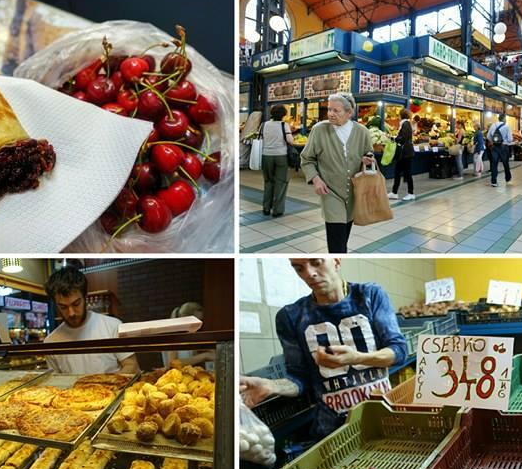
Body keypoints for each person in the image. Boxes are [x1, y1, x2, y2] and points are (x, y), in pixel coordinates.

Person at [239, 258, 407, 439]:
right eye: (299, 268)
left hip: (382, 416)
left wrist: (357, 358)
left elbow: (398, 350)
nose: (309, 273)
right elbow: (299, 378)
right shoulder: (291, 316)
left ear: (336, 260)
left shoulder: (369, 295)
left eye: (316, 262)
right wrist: (272, 385)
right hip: (333, 429)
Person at [300, 92, 376, 254]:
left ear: (349, 113)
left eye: (336, 111)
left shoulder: (361, 131)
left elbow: (368, 153)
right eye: (329, 110)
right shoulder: (319, 130)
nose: (331, 114)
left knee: (343, 238)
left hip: (354, 192)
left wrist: (367, 160)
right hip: (330, 191)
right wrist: (316, 179)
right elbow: (307, 159)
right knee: (336, 241)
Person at [43, 266, 139, 374]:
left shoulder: (113, 326)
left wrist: (109, 387)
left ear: (85, 297)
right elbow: (55, 381)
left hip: (112, 389)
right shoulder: (51, 342)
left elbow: (132, 366)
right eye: (63, 307)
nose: (71, 313)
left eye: (76, 304)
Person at [260, 104, 294, 217]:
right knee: (281, 182)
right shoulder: (284, 125)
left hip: (266, 155)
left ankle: (266, 208)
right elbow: (290, 141)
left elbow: (260, 138)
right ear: (284, 115)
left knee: (268, 181)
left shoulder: (264, 125)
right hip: (281, 156)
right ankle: (277, 210)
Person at [163, 302, 214, 368]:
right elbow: (172, 363)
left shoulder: (191, 336)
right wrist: (204, 356)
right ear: (185, 320)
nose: (199, 326)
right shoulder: (173, 336)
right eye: (196, 322)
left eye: (200, 321)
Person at [387, 108, 415, 201]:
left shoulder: (405, 124)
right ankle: (394, 192)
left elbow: (403, 138)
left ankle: (411, 193)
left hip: (405, 153)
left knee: (407, 173)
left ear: (401, 115)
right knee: (397, 172)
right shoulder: (406, 123)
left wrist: (394, 138)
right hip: (405, 153)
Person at [486, 113, 513, 187]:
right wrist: (505, 141)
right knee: (505, 163)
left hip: (494, 147)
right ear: (504, 119)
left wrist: (494, 141)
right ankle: (508, 179)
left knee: (494, 164)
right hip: (504, 147)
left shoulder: (493, 125)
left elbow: (488, 136)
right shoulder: (507, 126)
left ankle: (493, 181)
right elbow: (510, 139)